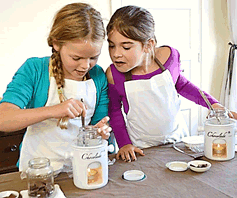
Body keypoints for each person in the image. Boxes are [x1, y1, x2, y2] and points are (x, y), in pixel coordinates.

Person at [105, 5, 237, 162]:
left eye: (125, 47)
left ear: (148, 45)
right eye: (111, 45)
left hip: (177, 141)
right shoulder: (114, 75)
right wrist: (125, 144)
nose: (116, 53)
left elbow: (182, 84)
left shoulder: (169, 57)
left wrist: (212, 104)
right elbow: (114, 112)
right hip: (141, 147)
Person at [0, 3, 112, 171]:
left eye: (93, 57)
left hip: (81, 170)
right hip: (37, 171)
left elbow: (98, 125)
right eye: (76, 58)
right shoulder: (35, 69)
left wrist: (98, 133)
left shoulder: (98, 76)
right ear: (56, 44)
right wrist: (54, 110)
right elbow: (4, 119)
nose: (85, 65)